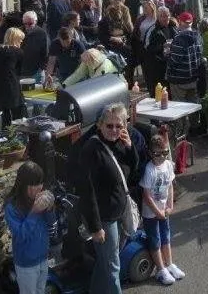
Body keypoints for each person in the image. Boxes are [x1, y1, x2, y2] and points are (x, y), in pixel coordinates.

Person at [78, 103, 138, 294]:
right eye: (109, 125)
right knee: (113, 266)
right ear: (100, 125)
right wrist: (96, 227)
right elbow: (87, 191)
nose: (114, 130)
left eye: (118, 126)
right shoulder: (91, 149)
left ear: (124, 126)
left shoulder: (119, 143)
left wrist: (130, 148)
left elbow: (133, 168)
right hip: (105, 218)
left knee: (106, 263)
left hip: (118, 212)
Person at [4, 162, 56, 294]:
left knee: (41, 291)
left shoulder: (39, 199)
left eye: (41, 183)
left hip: (43, 258)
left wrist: (50, 209)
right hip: (26, 264)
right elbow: (21, 235)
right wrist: (34, 212)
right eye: (34, 184)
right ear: (23, 185)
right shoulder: (12, 207)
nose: (39, 188)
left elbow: (52, 225)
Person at [140, 134, 185, 286]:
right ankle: (160, 269)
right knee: (155, 241)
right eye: (157, 154)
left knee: (166, 237)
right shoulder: (149, 169)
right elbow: (146, 195)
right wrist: (157, 212)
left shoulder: (167, 165)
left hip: (164, 210)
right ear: (151, 153)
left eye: (165, 153)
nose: (162, 157)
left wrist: (170, 205)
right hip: (151, 213)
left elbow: (171, 186)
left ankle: (169, 264)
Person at [0, 27, 26, 128]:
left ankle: (4, 137)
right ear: (15, 39)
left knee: (3, 118)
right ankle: (20, 138)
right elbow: (20, 72)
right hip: (11, 88)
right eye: (20, 39)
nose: (21, 42)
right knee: (19, 117)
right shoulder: (18, 52)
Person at [143, 7, 177, 95]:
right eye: (162, 16)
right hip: (157, 67)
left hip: (171, 64)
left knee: (170, 93)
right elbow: (147, 48)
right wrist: (162, 47)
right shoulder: (152, 30)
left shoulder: (174, 28)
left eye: (167, 16)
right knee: (159, 93)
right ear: (158, 17)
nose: (165, 18)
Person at [20, 11, 49, 85]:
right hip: (21, 71)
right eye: (25, 24)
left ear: (35, 22)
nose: (27, 26)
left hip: (36, 71)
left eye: (30, 24)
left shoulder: (41, 33)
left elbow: (45, 51)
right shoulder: (19, 32)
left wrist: (42, 67)